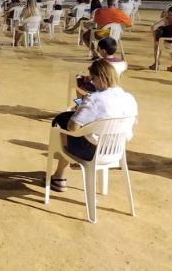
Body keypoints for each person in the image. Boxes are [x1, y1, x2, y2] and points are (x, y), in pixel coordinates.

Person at [48, 60, 138, 192]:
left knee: (61, 130)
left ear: (101, 77)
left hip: (93, 151)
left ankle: (59, 176)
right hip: (116, 150)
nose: (92, 82)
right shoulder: (129, 98)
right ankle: (59, 177)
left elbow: (72, 127)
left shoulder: (94, 99)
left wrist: (79, 102)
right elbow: (134, 121)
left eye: (93, 79)